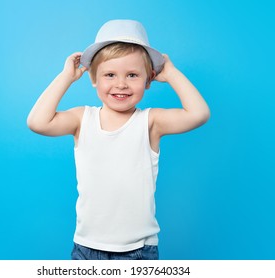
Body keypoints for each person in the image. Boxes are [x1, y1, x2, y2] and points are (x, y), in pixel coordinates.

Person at [27, 19, 210, 260]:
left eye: (132, 75)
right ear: (94, 79)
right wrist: (66, 78)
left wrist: (173, 74)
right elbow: (37, 122)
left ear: (149, 79)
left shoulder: (150, 122)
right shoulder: (82, 119)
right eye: (110, 74)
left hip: (138, 250)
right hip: (86, 247)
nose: (120, 84)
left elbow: (199, 113)